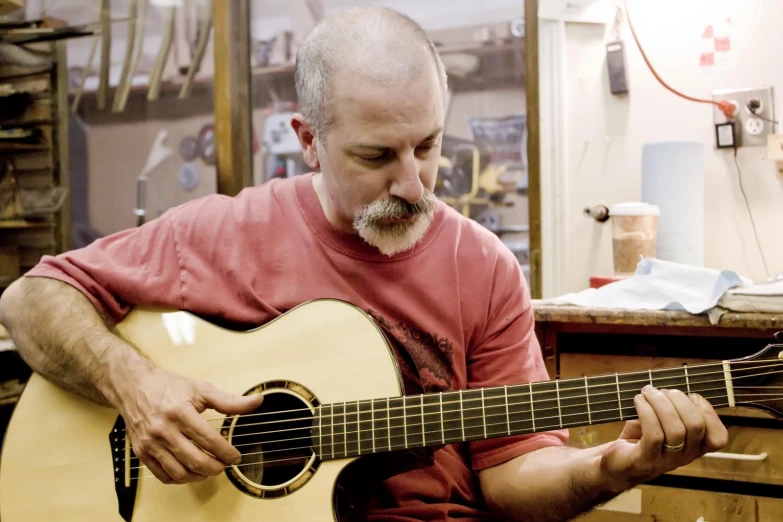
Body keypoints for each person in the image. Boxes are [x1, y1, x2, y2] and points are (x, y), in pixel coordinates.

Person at [0, 6, 727, 522]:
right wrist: (136, 385)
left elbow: (510, 476)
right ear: (308, 140)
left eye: (429, 147)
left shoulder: (483, 268)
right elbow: (32, 299)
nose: (413, 185)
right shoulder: (227, 230)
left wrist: (610, 469)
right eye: (377, 156)